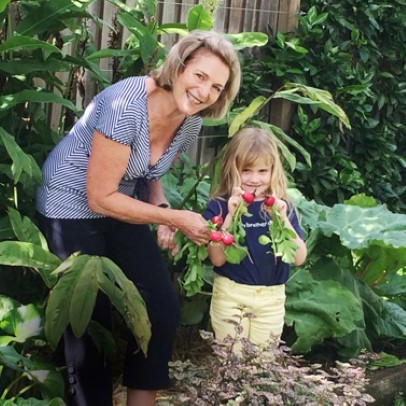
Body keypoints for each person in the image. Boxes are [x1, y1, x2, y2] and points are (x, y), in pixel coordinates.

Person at [36, 30, 241, 406]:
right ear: (179, 67)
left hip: (121, 203)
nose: (204, 92)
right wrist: (179, 219)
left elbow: (150, 168)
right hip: (70, 205)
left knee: (160, 306)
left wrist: (162, 209)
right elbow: (99, 198)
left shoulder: (190, 119)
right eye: (200, 76)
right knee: (87, 319)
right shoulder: (126, 104)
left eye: (217, 87)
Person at [203, 127, 307, 352]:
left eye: (262, 171)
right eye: (246, 170)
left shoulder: (282, 206)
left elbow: (299, 257)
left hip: (271, 299)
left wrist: (281, 219)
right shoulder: (219, 206)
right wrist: (231, 216)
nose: (254, 179)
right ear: (233, 169)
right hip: (230, 295)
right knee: (230, 361)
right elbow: (217, 259)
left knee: (262, 364)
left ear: (273, 171)